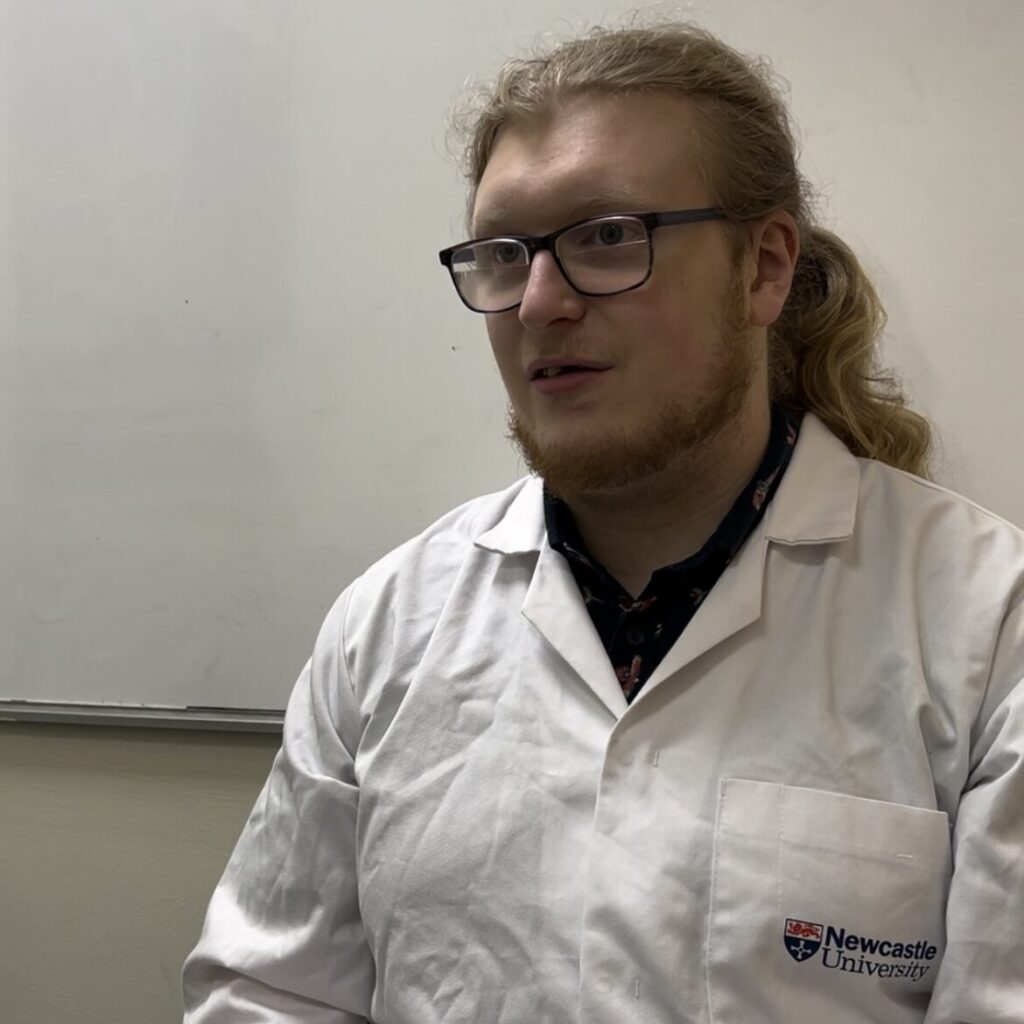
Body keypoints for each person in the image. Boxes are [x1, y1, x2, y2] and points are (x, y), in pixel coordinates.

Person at [182, 21, 1023, 1023]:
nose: (539, 304)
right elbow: (268, 994)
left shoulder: (986, 626)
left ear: (763, 268)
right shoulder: (389, 625)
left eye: (608, 236)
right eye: (504, 254)